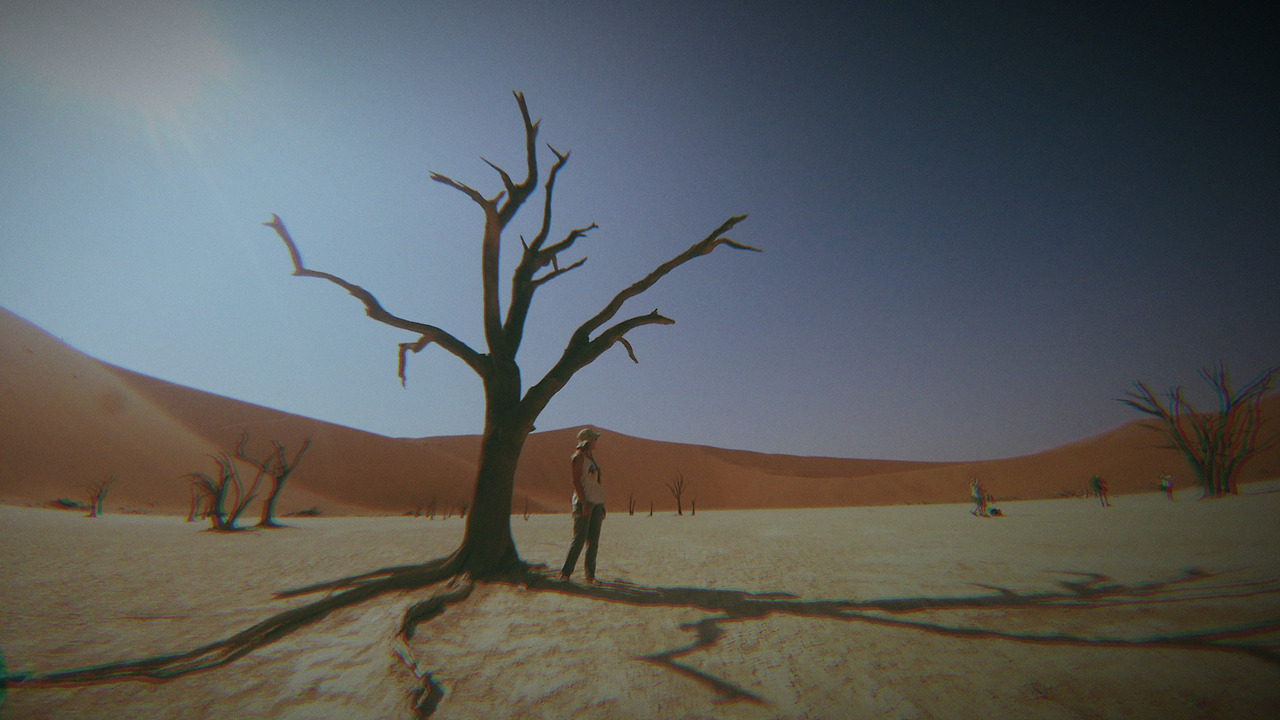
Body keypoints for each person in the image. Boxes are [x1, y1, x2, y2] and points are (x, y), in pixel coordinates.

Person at [560, 428, 606, 583]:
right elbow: (576, 481)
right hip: (584, 503)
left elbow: (597, 482)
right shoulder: (578, 457)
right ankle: (565, 573)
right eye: (595, 439)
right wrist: (584, 503)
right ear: (588, 440)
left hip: (597, 502)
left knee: (593, 542)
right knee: (579, 539)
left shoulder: (591, 458)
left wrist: (602, 505)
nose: (596, 442)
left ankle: (590, 576)